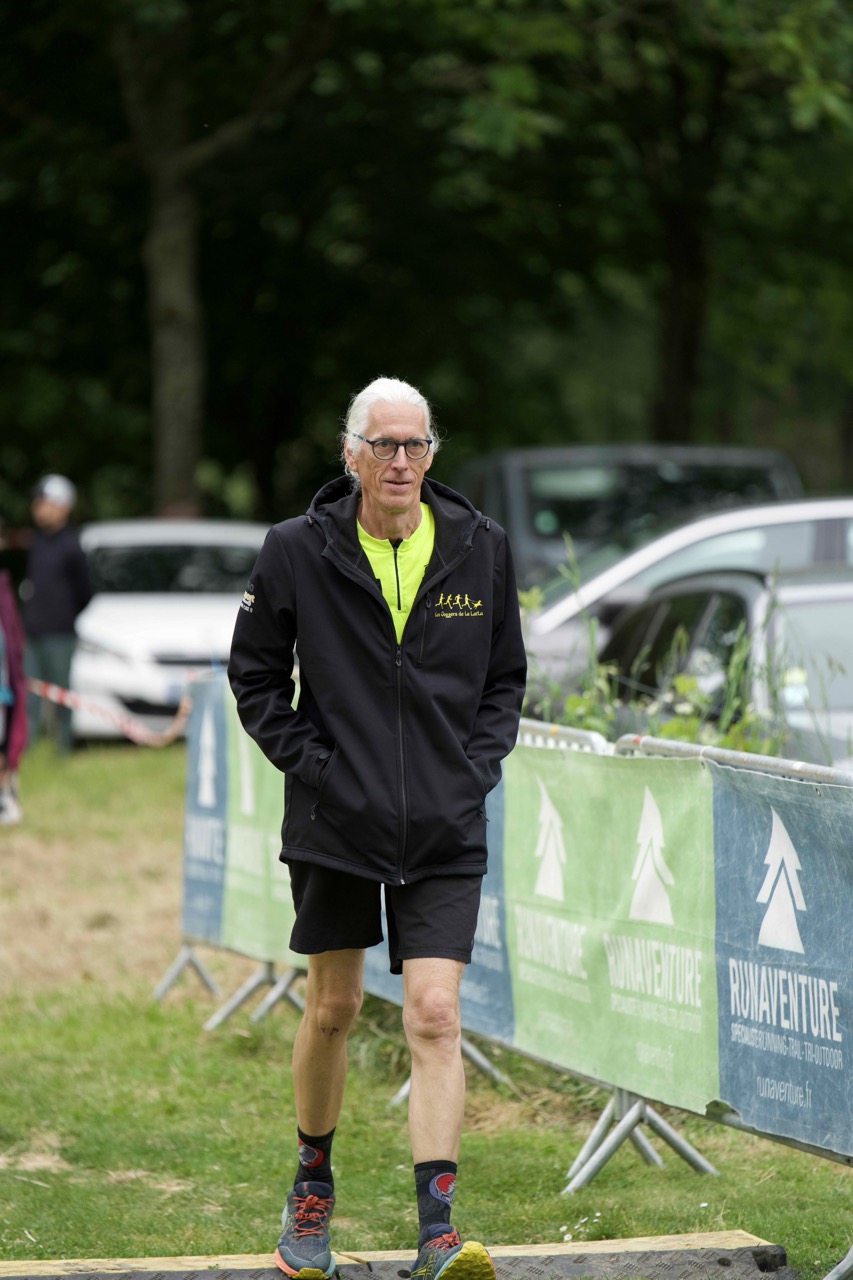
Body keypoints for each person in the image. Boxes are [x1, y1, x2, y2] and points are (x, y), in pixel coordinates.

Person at [229, 377, 526, 1280]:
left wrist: (470, 773)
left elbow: (505, 682)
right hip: (337, 821)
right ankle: (310, 1189)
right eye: (384, 444)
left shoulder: (480, 546)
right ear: (350, 452)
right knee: (335, 1008)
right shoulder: (296, 549)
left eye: (416, 444)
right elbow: (255, 681)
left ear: (432, 453)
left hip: (444, 823)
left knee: (434, 1015)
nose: (401, 461)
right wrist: (322, 770)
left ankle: (437, 1231)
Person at [20, 475, 92, 753]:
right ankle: (26, 748)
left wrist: (64, 616)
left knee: (61, 693)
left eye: (44, 503)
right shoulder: (37, 542)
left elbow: (84, 591)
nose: (38, 509)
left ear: (62, 506)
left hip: (60, 633)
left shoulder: (72, 544)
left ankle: (63, 747)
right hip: (32, 632)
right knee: (29, 694)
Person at [0, 563, 27, 823]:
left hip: (2, 692)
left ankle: (6, 798)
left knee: (4, 746)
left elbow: (13, 644)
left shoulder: (3, 594)